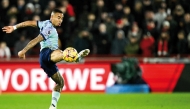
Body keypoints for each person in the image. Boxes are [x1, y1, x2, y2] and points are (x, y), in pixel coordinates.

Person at [2, 8, 90, 109]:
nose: (60, 20)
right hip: (47, 53)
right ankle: (75, 57)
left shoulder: (44, 23)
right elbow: (36, 39)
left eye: (62, 18)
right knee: (63, 53)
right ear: (51, 17)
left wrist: (14, 27)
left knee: (60, 82)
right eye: (58, 17)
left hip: (45, 61)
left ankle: (53, 106)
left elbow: (29, 23)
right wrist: (23, 51)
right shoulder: (49, 29)